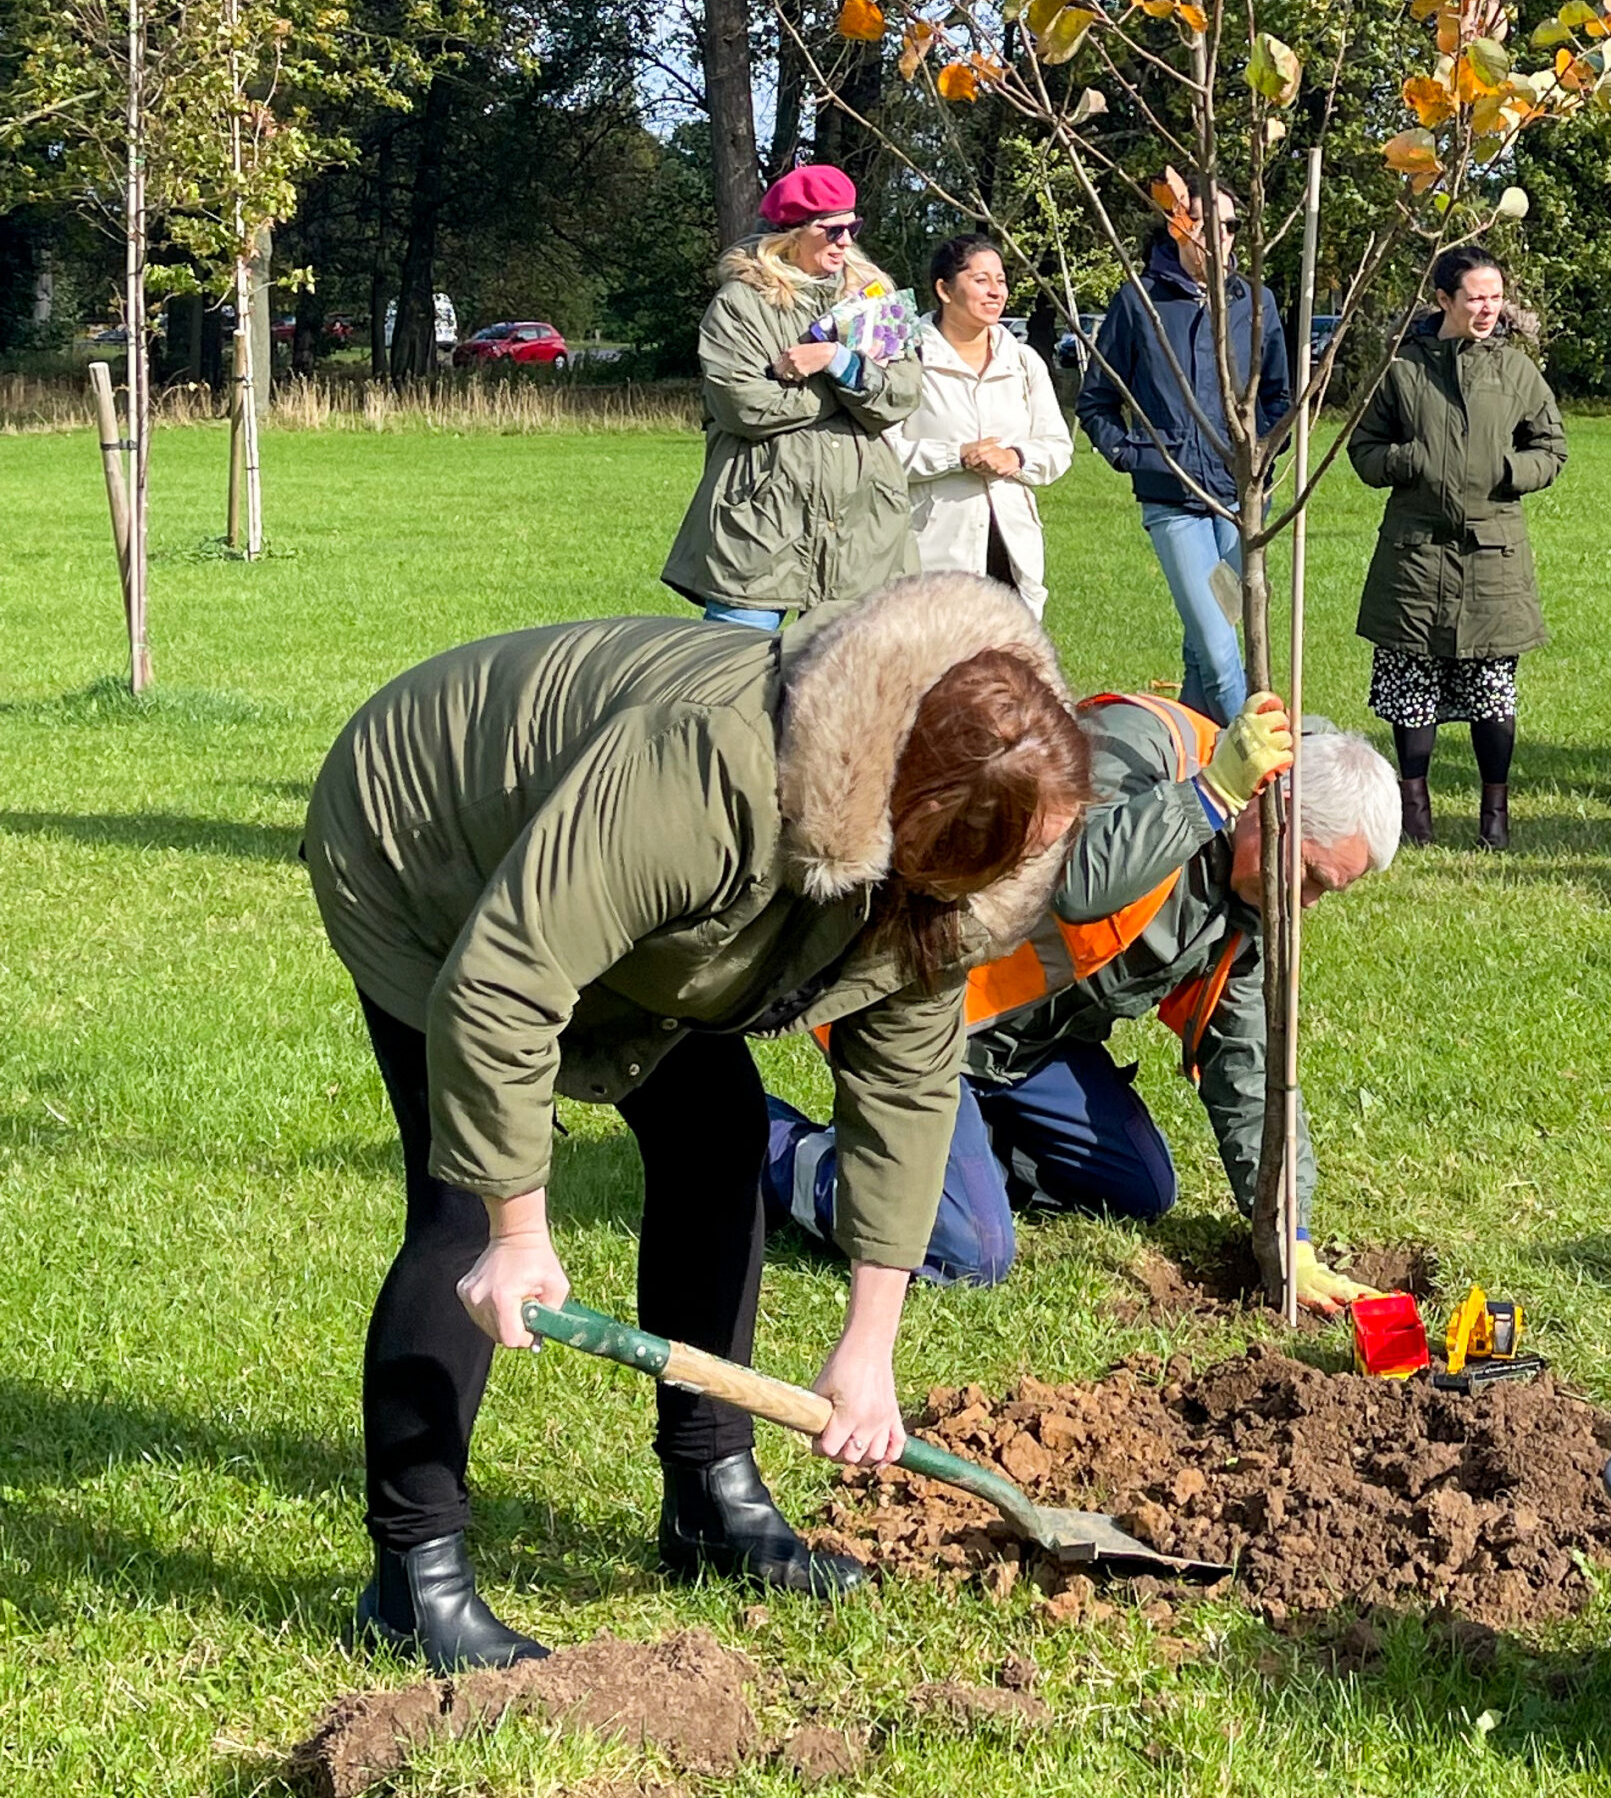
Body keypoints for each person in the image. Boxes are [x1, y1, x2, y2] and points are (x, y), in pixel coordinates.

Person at [301, 575, 1094, 1674]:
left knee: (717, 1141)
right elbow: (505, 982)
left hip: (631, 913)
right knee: (461, 1216)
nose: (1023, 880)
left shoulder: (963, 871)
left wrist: (869, 1347)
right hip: (428, 839)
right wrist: (521, 1233)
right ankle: (413, 1576)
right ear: (917, 821)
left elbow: (908, 1089)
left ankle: (709, 1501)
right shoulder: (711, 770)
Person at [761, 690, 1402, 1315]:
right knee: (970, 1251)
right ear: (1274, 809)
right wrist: (1208, 797)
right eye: (1312, 876)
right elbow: (1073, 881)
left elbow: (1250, 1065)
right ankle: (765, 1142)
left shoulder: (1246, 908)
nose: (1308, 904)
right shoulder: (1145, 745)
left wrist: (1291, 1233)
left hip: (1026, 1052)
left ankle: (953, 1159)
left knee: (1139, 1189)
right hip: (930, 1016)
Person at [1348, 245, 1567, 852]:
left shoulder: (1517, 371)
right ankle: (1414, 813)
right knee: (1409, 685)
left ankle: (1494, 814)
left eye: (1495, 296)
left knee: (1491, 689)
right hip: (1414, 556)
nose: (1488, 308)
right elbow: (1362, 449)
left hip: (1493, 556)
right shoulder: (1402, 368)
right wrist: (1408, 460)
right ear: (1443, 299)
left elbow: (1552, 448)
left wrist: (1508, 470)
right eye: (1475, 296)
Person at [664, 165, 923, 630]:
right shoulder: (739, 303)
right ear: (790, 235)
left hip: (861, 527)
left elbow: (903, 395)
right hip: (761, 522)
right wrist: (844, 395)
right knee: (734, 676)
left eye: (853, 227)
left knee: (851, 686)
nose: (846, 241)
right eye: (833, 229)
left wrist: (834, 361)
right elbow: (741, 405)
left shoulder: (875, 299)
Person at [1074, 177, 1291, 722]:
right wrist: (1133, 454)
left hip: (1242, 503)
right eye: (1210, 224)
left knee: (1202, 648)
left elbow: (1279, 396)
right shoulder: (1139, 301)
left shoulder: (1254, 301)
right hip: (1173, 499)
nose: (1225, 236)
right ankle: (1259, 772)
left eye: (1233, 225)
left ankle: (1193, 765)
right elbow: (1096, 400)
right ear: (1179, 226)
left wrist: (1260, 454)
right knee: (1221, 656)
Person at [886, 234, 1076, 619]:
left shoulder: (1023, 361)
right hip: (933, 552)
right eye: (980, 280)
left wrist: (1015, 457)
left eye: (1001, 280)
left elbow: (1058, 447)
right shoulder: (904, 360)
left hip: (1012, 552)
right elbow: (884, 455)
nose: (995, 292)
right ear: (944, 289)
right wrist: (955, 456)